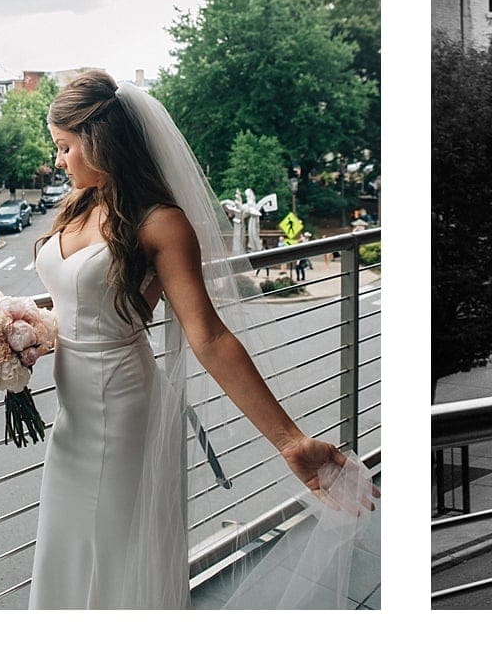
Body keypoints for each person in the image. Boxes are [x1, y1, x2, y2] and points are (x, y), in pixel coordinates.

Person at [29, 71, 374, 609]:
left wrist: (289, 441)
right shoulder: (78, 205)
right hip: (71, 413)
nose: (58, 161)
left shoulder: (160, 223)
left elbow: (209, 335)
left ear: (97, 141)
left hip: (122, 407)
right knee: (69, 546)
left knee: (117, 554)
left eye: (64, 147)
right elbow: (77, 303)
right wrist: (15, 335)